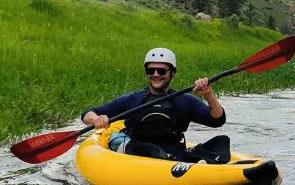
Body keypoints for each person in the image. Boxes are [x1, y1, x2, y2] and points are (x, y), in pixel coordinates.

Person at [81, 47, 229, 163]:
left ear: (172, 73)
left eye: (161, 70)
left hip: (173, 152)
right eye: (151, 70)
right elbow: (88, 113)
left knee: (222, 143)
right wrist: (96, 119)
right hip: (136, 150)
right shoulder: (133, 99)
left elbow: (217, 120)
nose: (156, 74)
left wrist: (208, 94)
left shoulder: (184, 101)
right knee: (150, 150)